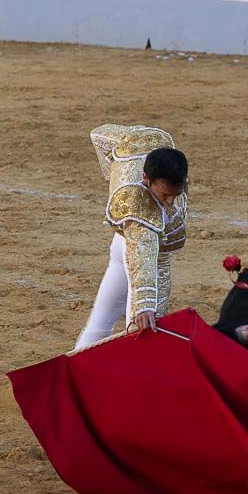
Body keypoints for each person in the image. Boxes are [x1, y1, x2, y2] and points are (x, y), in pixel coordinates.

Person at [74, 125, 188, 350]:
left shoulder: (154, 140)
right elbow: (143, 259)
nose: (170, 202)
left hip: (122, 246)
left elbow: (101, 134)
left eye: (176, 193)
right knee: (141, 335)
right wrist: (144, 305)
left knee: (101, 319)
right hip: (137, 253)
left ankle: (75, 370)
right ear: (145, 178)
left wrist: (115, 173)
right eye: (164, 195)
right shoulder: (137, 207)